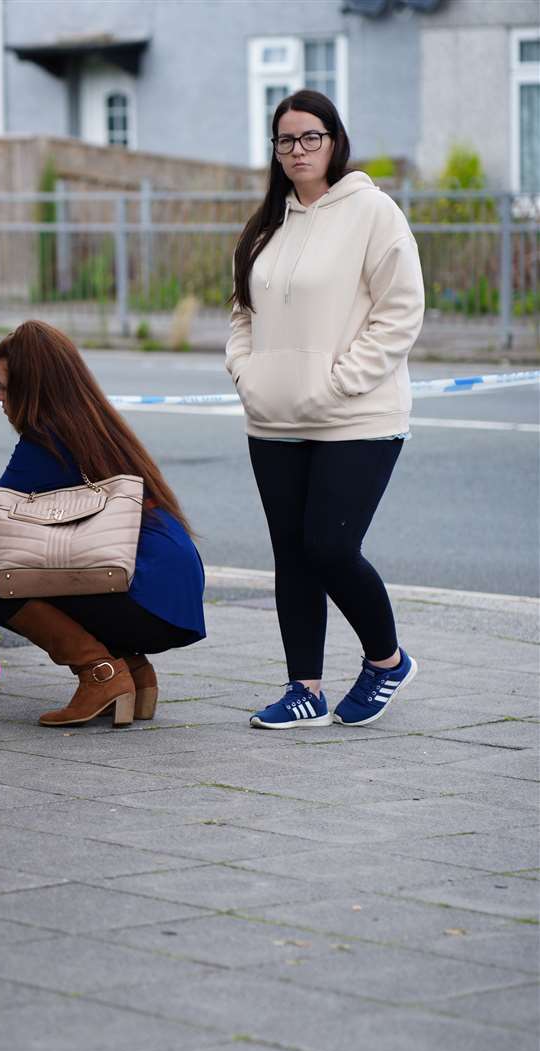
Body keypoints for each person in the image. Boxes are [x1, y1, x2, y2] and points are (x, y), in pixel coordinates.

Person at [226, 89, 425, 731]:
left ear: (335, 141)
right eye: (286, 140)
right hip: (273, 417)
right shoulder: (266, 225)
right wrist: (246, 373)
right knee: (292, 553)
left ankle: (386, 661)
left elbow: (401, 312)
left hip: (358, 415)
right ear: (275, 150)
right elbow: (242, 315)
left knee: (331, 546)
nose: (299, 150)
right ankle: (303, 687)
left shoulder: (373, 212)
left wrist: (342, 382)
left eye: (311, 137)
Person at [0, 321, 206, 728]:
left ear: (33, 389)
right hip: (173, 595)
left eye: (4, 386)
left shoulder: (48, 438)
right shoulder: (94, 423)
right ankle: (134, 672)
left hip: (145, 597)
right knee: (46, 563)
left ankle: (100, 675)